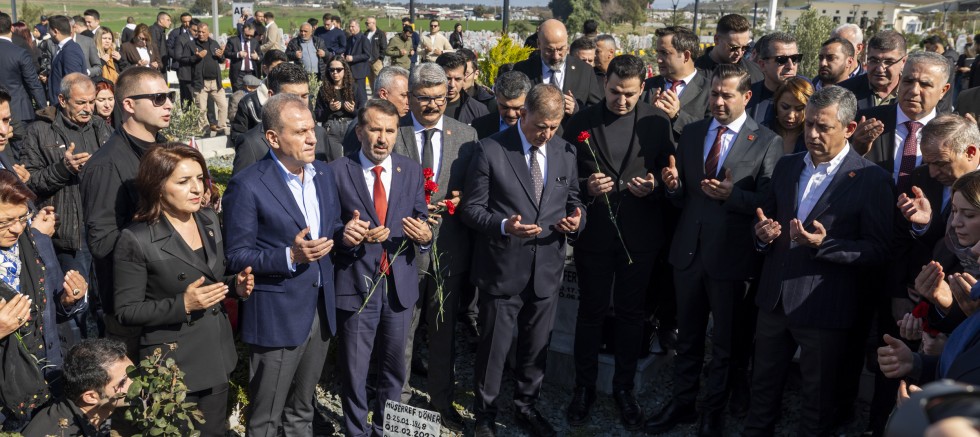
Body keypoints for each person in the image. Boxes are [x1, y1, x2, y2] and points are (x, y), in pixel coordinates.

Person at [747, 85, 893, 436]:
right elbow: (766, 218)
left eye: (823, 127)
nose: (811, 133)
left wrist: (826, 245)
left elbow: (877, 249)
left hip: (824, 308)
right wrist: (761, 235)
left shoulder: (872, 179)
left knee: (817, 400)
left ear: (849, 129)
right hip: (774, 300)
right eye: (809, 123)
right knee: (762, 386)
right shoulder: (786, 166)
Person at [648, 63, 783, 436]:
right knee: (687, 338)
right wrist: (673, 186)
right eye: (714, 94)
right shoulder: (691, 133)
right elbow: (683, 200)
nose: (718, 101)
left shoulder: (767, 141)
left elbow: (769, 199)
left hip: (732, 259)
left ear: (747, 97)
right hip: (688, 254)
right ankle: (683, 404)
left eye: (727, 95)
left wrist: (733, 196)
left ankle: (713, 410)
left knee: (724, 344)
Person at [460, 83, 586, 437]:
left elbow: (575, 198)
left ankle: (526, 407)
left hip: (547, 268)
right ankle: (485, 413)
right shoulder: (490, 150)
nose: (546, 134)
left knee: (535, 347)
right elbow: (471, 210)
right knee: (494, 349)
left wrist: (577, 219)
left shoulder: (565, 151)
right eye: (540, 126)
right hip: (502, 268)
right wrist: (503, 226)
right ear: (523, 114)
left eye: (554, 126)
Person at [222, 93, 349, 437]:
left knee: (302, 410)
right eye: (300, 132)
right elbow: (236, 255)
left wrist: (347, 234)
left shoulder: (322, 173)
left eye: (312, 129)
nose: (312, 138)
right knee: (265, 418)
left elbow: (331, 228)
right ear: (273, 138)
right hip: (277, 314)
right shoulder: (247, 185)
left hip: (321, 308)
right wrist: (289, 257)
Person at [562, 54, 675, 431]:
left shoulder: (658, 123)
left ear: (643, 87)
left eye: (628, 94)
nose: (621, 101)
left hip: (640, 236)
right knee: (590, 313)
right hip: (594, 235)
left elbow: (669, 171)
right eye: (613, 92)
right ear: (604, 84)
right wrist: (586, 186)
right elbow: (563, 178)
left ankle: (624, 389)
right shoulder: (581, 122)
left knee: (631, 315)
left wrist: (656, 185)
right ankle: (584, 387)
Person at [113, 143, 254, 436]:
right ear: (158, 187)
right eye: (183, 181)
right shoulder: (136, 239)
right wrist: (183, 304)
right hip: (172, 365)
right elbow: (126, 311)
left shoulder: (208, 219)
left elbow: (209, 281)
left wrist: (234, 286)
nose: (197, 188)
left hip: (215, 354)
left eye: (200, 178)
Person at [331, 97, 432, 437]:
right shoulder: (336, 172)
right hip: (356, 286)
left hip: (399, 287)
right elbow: (328, 226)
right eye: (375, 129)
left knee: (394, 370)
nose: (382, 138)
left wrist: (424, 236)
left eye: (389, 131)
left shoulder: (410, 170)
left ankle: (387, 430)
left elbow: (420, 218)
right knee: (355, 373)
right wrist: (346, 235)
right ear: (360, 131)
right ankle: (356, 432)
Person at [392, 62, 479, 431]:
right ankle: (399, 404)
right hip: (404, 251)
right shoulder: (392, 133)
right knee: (403, 331)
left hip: (448, 248)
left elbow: (476, 192)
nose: (432, 106)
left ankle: (442, 402)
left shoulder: (467, 135)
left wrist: (461, 199)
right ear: (409, 97)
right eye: (424, 99)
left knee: (443, 333)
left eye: (440, 99)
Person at [80, 67, 173, 358]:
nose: (168, 104)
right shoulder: (106, 164)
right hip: (135, 310)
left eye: (169, 97)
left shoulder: (165, 150)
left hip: (169, 297)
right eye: (158, 98)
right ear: (129, 105)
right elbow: (102, 242)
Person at [0, 169, 88, 428]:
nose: (17, 229)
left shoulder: (37, 240)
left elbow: (52, 311)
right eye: (5, 222)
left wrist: (70, 300)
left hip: (47, 382)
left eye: (23, 217)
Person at [22, 73, 110, 325]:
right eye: (81, 103)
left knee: (106, 299)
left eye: (91, 102)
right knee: (75, 303)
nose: (88, 109)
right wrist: (63, 169)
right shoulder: (40, 131)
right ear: (62, 100)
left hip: (102, 227)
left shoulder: (101, 127)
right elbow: (30, 181)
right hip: (69, 234)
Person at [853, 51, 951, 193]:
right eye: (908, 81)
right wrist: (856, 150)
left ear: (943, 90)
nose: (914, 90)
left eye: (925, 84)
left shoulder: (951, 133)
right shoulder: (866, 121)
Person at [232, 62, 341, 175]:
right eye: (292, 97)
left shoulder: (319, 134)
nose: (300, 103)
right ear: (271, 96)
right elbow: (241, 188)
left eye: (304, 96)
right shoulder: (251, 144)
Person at [22, 339, 132, 436]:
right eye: (123, 382)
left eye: (133, 372)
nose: (136, 381)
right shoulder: (62, 432)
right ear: (90, 397)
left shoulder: (98, 413)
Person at [513, 19, 603, 134]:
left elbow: (597, 110)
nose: (556, 56)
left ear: (567, 41)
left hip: (570, 143)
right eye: (549, 50)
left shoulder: (584, 71)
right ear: (539, 44)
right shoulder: (523, 69)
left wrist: (577, 109)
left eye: (561, 49)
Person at [642, 25, 710, 137]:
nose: (658, 59)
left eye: (664, 53)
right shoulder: (646, 87)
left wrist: (677, 115)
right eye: (658, 52)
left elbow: (710, 133)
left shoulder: (711, 90)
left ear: (686, 56)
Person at [838, 31, 908, 110]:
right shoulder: (842, 92)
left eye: (888, 62)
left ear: (903, 61)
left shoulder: (913, 94)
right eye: (874, 60)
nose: (880, 69)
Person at [230, 49, 287, 144]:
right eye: (275, 68)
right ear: (265, 69)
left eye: (284, 68)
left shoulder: (298, 97)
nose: (280, 73)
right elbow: (238, 135)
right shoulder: (248, 102)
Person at [745, 32, 801, 126]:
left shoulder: (809, 97)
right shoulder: (746, 99)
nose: (790, 66)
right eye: (781, 60)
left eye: (795, 58)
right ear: (762, 65)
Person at [0, 12, 46, 124]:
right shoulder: (20, 53)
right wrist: (44, 110)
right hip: (19, 111)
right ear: (11, 28)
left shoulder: (20, 53)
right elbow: (33, 84)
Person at [694, 14, 764, 83]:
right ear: (716, 39)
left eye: (745, 47)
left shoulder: (756, 72)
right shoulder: (693, 72)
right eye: (734, 47)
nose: (739, 53)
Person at [188, 23, 227, 134]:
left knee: (223, 105)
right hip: (201, 83)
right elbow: (185, 60)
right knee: (201, 109)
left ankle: (221, 128)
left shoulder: (214, 43)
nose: (200, 34)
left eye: (203, 32)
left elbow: (222, 59)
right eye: (198, 32)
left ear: (208, 32)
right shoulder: (191, 44)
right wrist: (197, 56)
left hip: (215, 82)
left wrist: (221, 56)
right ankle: (204, 131)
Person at [471, 70, 533, 139]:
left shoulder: (538, 128)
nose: (511, 114)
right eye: (504, 107)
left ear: (528, 101)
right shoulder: (479, 126)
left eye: (517, 108)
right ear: (496, 98)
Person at [435, 52, 489, 124]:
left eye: (457, 79)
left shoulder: (478, 110)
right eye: (447, 79)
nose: (452, 84)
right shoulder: (423, 108)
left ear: (464, 78)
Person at [315, 56, 356, 147]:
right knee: (334, 160)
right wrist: (329, 109)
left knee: (351, 159)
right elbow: (317, 115)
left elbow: (364, 112)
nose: (335, 73)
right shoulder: (324, 89)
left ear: (345, 70)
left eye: (339, 69)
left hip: (350, 126)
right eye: (331, 70)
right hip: (331, 127)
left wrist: (353, 110)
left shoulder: (353, 87)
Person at [47, 15, 87, 107]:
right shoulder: (66, 48)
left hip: (67, 107)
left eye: (49, 30)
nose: (48, 33)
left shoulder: (70, 51)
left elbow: (73, 82)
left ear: (55, 31)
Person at [767, 76, 812, 154]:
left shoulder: (812, 139)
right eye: (785, 107)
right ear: (776, 104)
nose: (791, 115)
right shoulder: (763, 134)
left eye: (799, 109)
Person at [345, 19, 373, 110]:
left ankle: (363, 111)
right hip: (349, 71)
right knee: (351, 92)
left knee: (361, 93)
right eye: (350, 26)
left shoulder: (364, 39)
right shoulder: (349, 39)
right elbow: (347, 52)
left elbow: (367, 55)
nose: (351, 28)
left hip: (359, 71)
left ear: (358, 27)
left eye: (352, 26)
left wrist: (353, 58)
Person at [226, 22, 260, 92]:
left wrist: (257, 57)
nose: (249, 37)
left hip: (251, 73)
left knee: (252, 95)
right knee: (238, 95)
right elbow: (226, 53)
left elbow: (261, 56)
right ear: (242, 31)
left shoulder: (255, 42)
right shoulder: (233, 40)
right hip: (238, 74)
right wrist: (238, 54)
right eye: (247, 35)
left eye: (251, 35)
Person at [174, 19, 200, 106]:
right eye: (194, 30)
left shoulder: (200, 39)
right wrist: (193, 58)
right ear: (189, 28)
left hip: (198, 74)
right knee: (187, 100)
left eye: (198, 31)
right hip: (186, 73)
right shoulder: (181, 39)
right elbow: (178, 56)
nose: (197, 33)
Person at [70, 16, 102, 80]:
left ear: (74, 27)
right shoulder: (52, 43)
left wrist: (87, 72)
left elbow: (98, 67)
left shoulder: (87, 41)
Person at [365, 17, 386, 87]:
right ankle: (373, 95)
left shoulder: (380, 34)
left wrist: (380, 59)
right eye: (366, 23)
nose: (366, 24)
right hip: (367, 61)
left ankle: (380, 96)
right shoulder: (366, 34)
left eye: (367, 23)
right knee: (371, 81)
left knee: (380, 80)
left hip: (377, 61)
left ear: (373, 23)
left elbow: (383, 47)